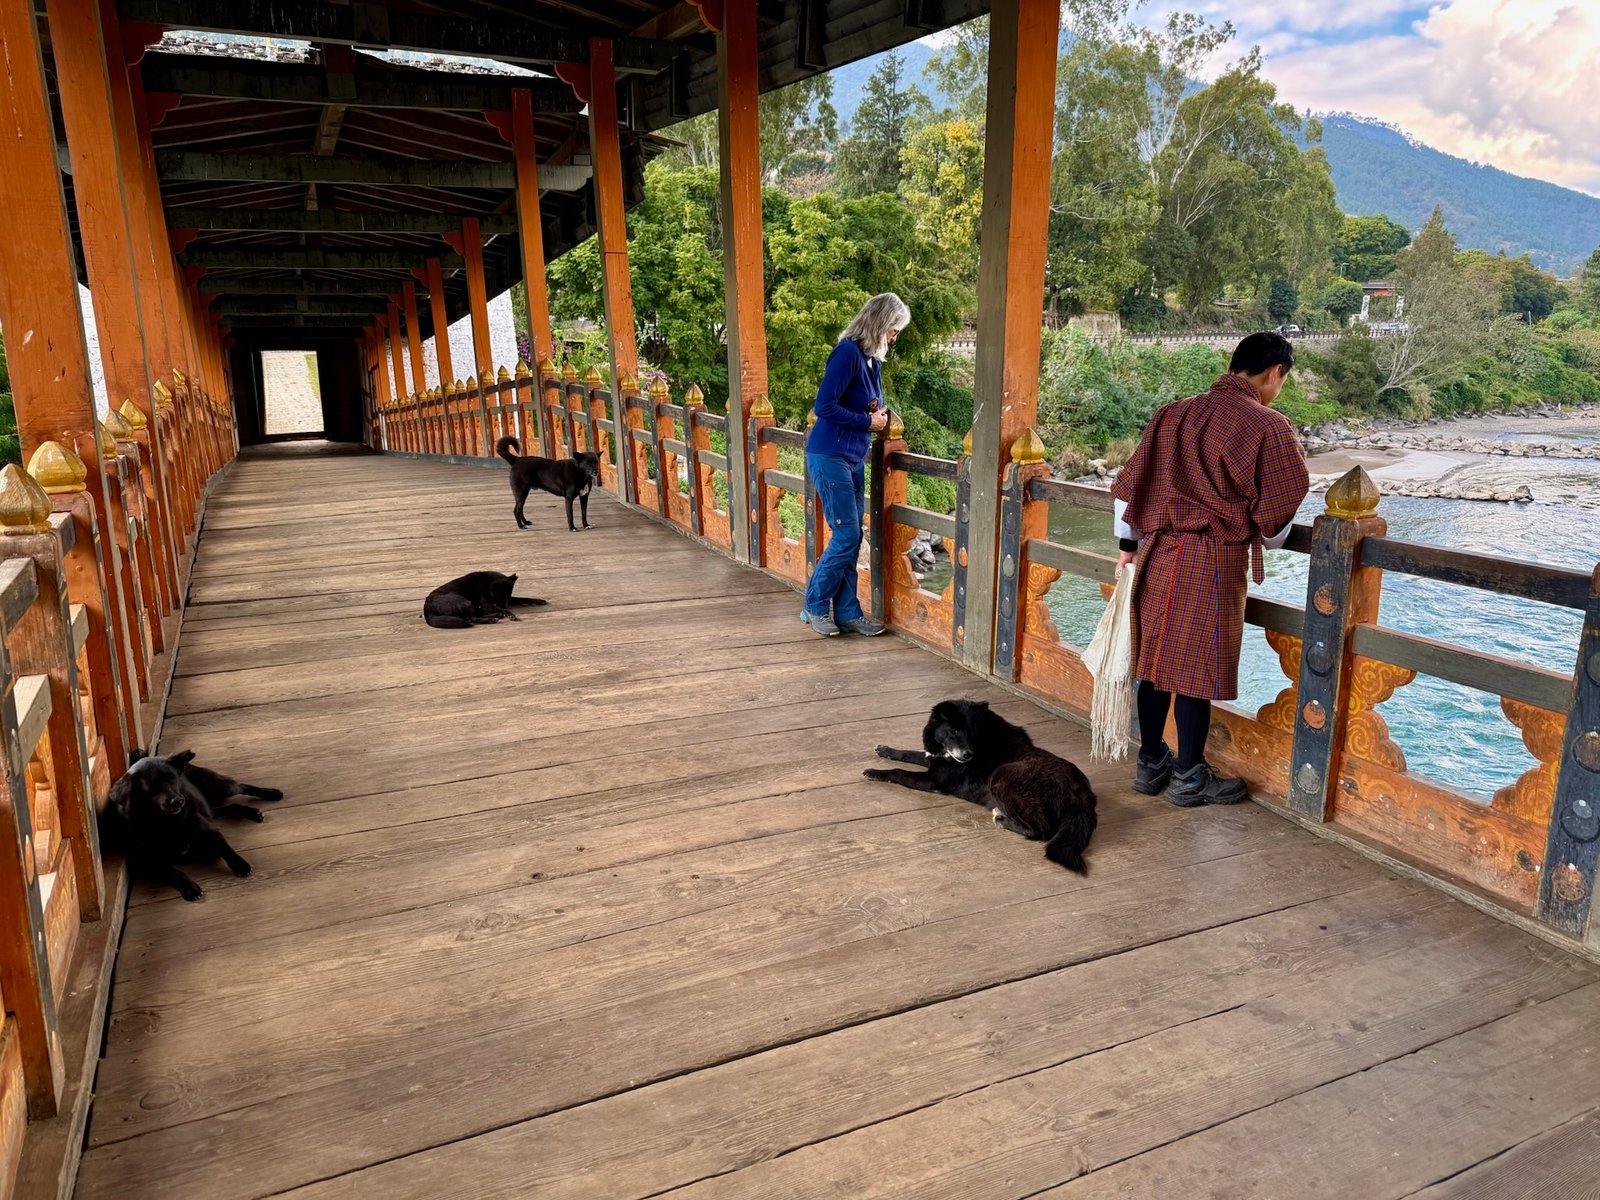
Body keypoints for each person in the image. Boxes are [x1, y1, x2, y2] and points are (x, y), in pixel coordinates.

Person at [1110, 331, 1310, 805]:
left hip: (1158, 552)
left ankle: (1150, 763)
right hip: (1213, 559)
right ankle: (1189, 776)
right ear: (1274, 372)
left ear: (1232, 365)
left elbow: (1127, 488)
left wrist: (1127, 546)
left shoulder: (1172, 414)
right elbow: (1275, 520)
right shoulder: (1268, 426)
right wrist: (1266, 532)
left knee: (1154, 663)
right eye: (1282, 380)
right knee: (1195, 670)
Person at [800, 293, 910, 636]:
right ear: (879, 324)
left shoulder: (872, 361)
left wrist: (878, 416)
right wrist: (867, 422)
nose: (894, 338)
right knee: (847, 533)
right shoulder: (847, 353)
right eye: (893, 330)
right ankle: (815, 605)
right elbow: (824, 406)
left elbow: (867, 405)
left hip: (853, 457)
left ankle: (848, 611)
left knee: (851, 534)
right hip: (829, 454)